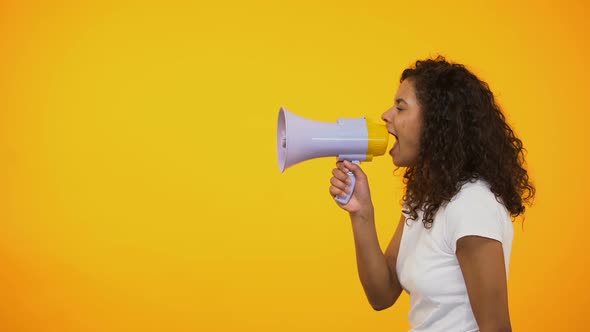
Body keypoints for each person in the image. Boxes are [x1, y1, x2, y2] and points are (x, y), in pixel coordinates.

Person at [329, 56, 535, 332]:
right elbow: (383, 293)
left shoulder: (471, 204)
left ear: (438, 122)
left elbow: (496, 327)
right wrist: (361, 211)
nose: (386, 115)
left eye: (400, 108)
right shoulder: (425, 199)